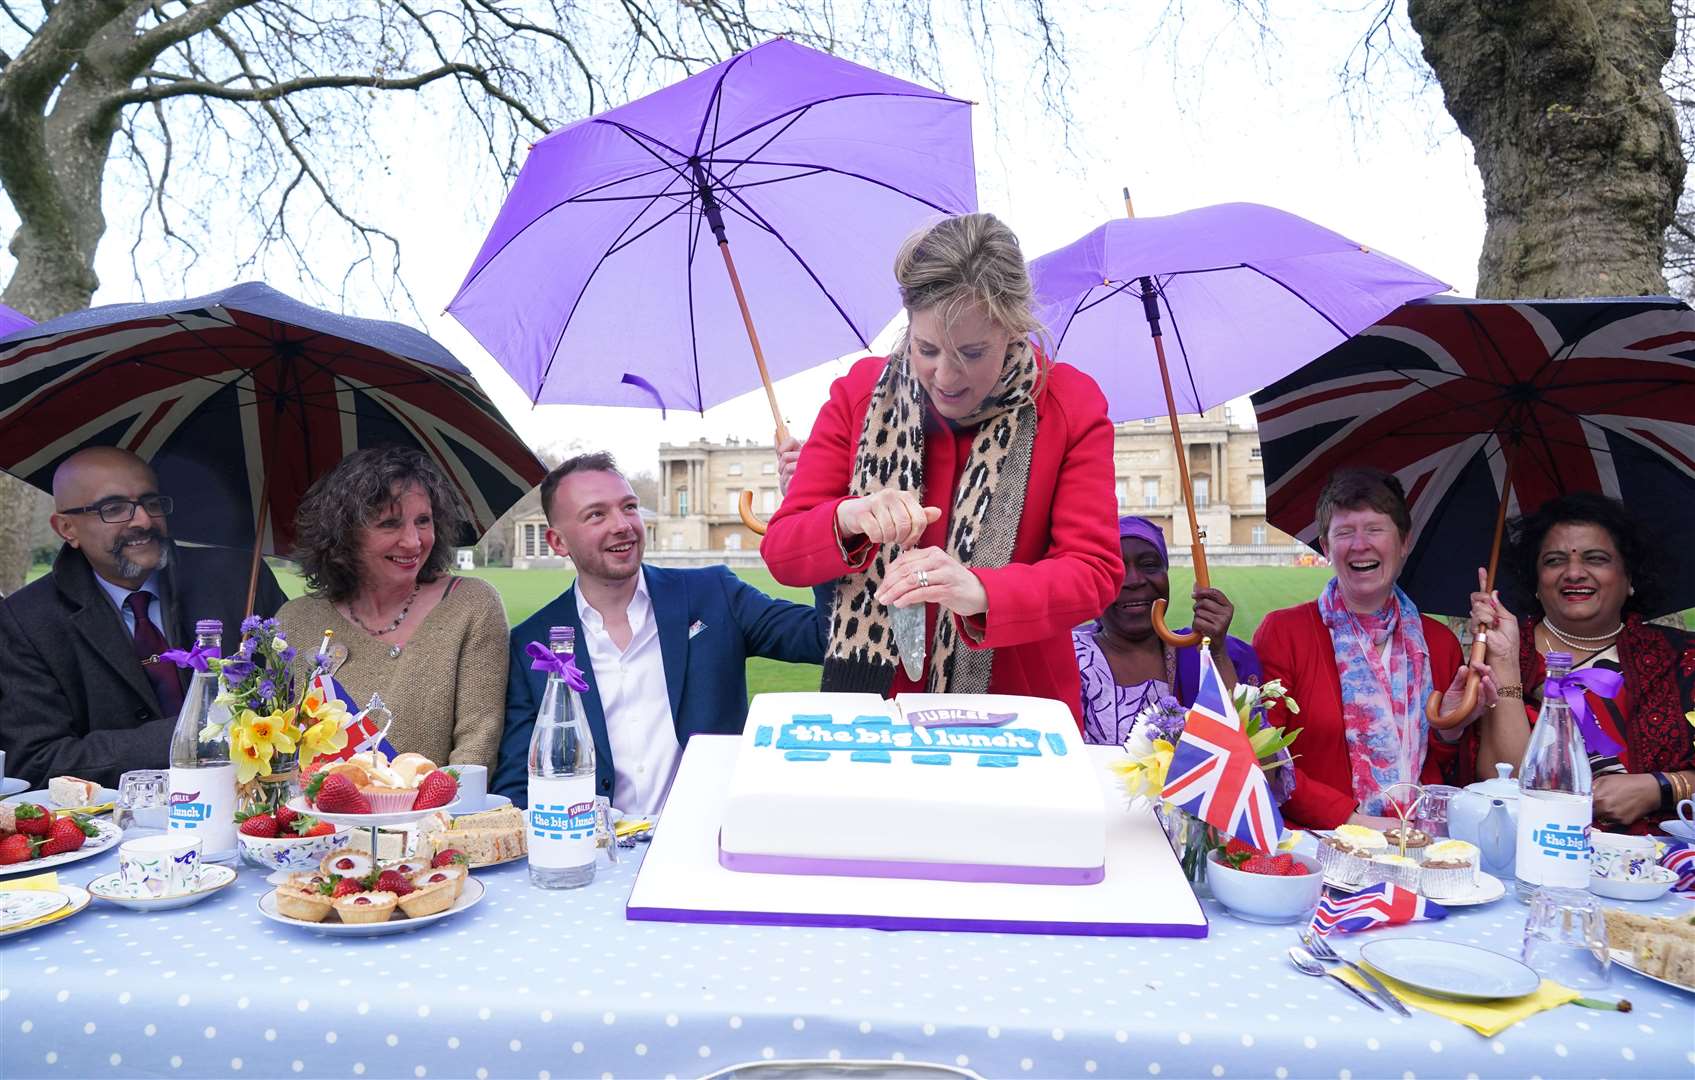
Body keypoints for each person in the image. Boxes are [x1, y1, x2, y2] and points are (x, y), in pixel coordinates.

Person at [760, 213, 1122, 724]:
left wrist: (980, 591)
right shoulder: (858, 394)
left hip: (1015, 715)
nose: (946, 377)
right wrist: (850, 517)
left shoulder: (1069, 402)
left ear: (1014, 328)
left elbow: (1094, 572)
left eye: (972, 353)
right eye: (927, 349)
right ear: (909, 322)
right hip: (870, 713)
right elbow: (783, 551)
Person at [493, 453, 830, 814]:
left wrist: (815, 516)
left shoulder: (713, 594)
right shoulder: (534, 643)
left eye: (629, 507)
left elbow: (824, 637)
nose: (622, 525)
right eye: (596, 515)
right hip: (596, 858)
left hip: (710, 842)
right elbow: (517, 788)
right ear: (558, 543)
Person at [0, 447, 287, 787]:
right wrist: (190, 732)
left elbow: (295, 696)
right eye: (115, 508)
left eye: (152, 502)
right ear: (66, 528)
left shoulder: (240, 580)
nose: (144, 521)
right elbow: (36, 760)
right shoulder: (26, 621)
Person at [1253, 467, 1482, 829]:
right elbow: (1266, 756)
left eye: (1375, 529)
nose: (1360, 545)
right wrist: (1354, 821)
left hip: (1415, 841)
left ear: (1404, 542)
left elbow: (1445, 767)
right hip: (1320, 842)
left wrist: (1448, 729)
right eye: (1345, 532)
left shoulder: (1438, 643)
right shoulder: (1284, 633)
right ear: (1326, 547)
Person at [1466, 493, 1695, 832]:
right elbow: (1505, 783)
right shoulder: (1504, 652)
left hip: (1657, 870)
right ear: (1537, 582)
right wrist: (1504, 662)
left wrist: (1660, 787)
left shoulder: (1680, 657)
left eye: (1597, 559)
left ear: (1629, 577)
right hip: (1534, 852)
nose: (1574, 572)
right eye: (1554, 561)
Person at [277, 446, 508, 768]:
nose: (413, 541)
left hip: (439, 815)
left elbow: (476, 748)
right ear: (344, 533)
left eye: (423, 521)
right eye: (389, 524)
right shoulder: (294, 621)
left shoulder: (471, 604)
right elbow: (283, 753)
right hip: (320, 815)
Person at [1074, 516, 1260, 745]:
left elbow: (1258, 767)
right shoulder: (1070, 659)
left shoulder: (1216, 653)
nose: (1133, 580)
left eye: (1149, 565)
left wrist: (1218, 653)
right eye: (1116, 568)